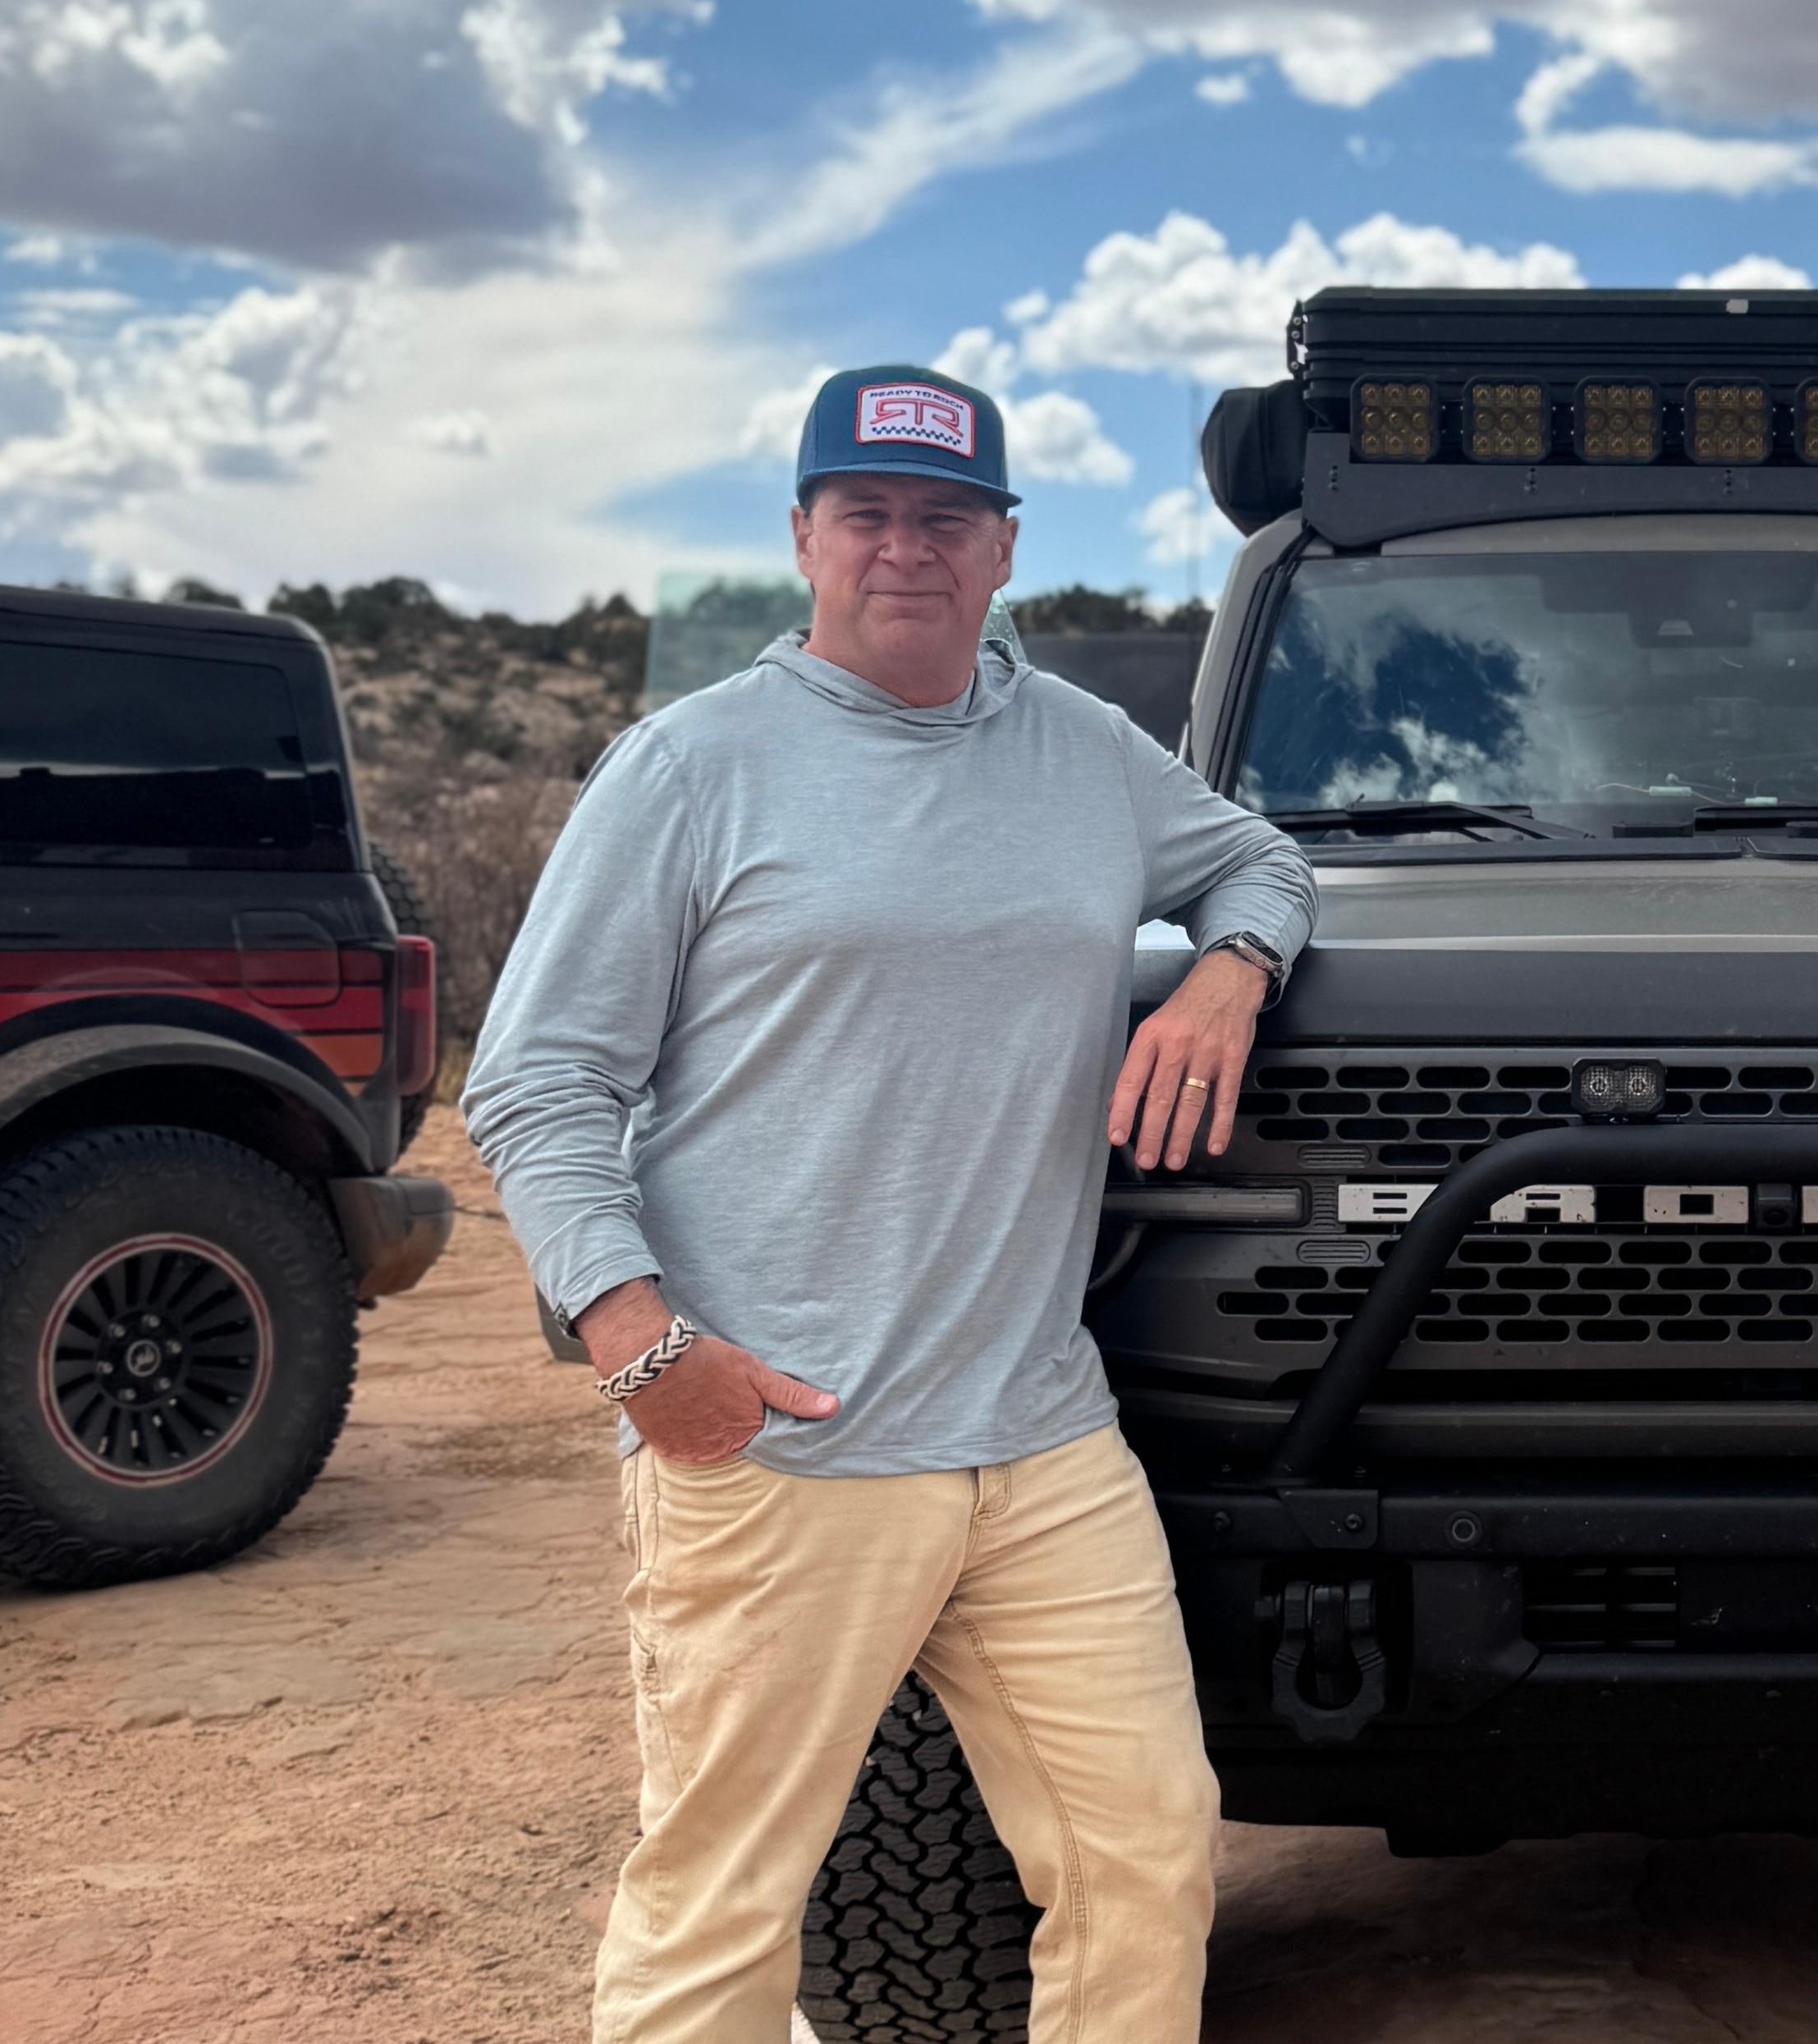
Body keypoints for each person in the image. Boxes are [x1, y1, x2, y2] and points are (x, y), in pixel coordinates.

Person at [465, 363, 1317, 2043]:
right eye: (868, 513)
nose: (906, 549)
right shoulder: (690, 767)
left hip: (1042, 1439)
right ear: (805, 536)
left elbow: (1261, 859)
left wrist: (1228, 974)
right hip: (783, 1439)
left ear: (1004, 547)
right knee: (723, 1908)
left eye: (946, 517)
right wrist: (644, 1350)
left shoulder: (1084, 750)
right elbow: (537, 1081)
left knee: (1145, 1856)